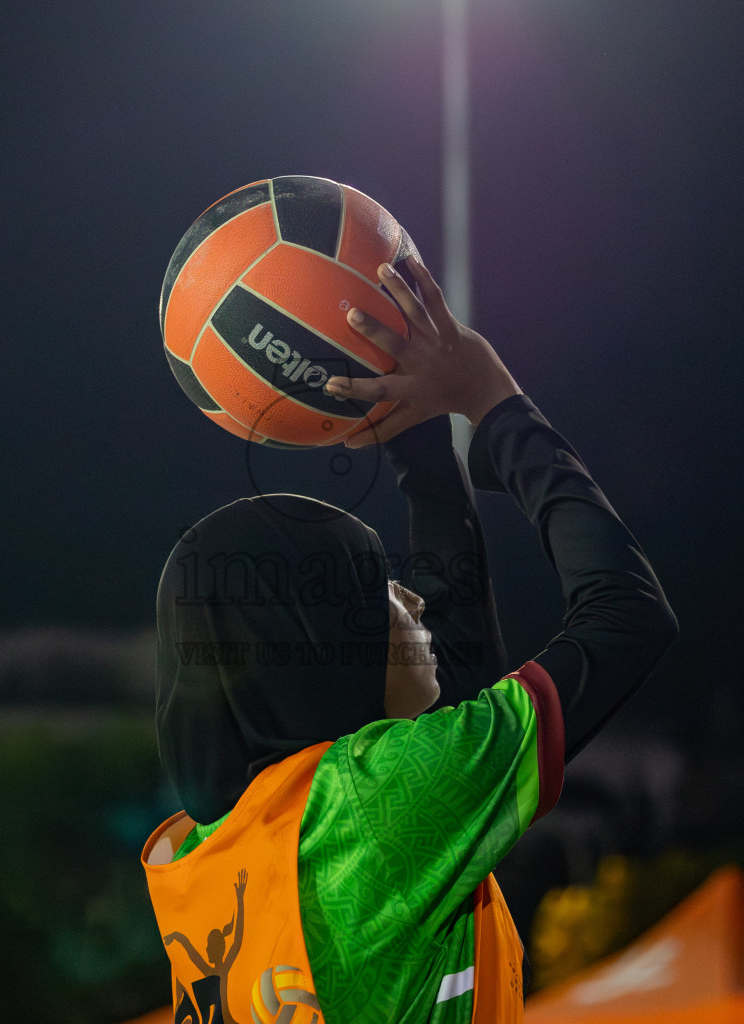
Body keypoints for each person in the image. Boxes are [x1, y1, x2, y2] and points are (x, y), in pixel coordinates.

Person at [142, 255, 677, 1023]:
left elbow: (455, 667)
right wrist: (494, 401)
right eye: (373, 589)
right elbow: (628, 616)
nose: (408, 595)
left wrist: (421, 438)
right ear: (325, 652)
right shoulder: (377, 809)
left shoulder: (212, 849)